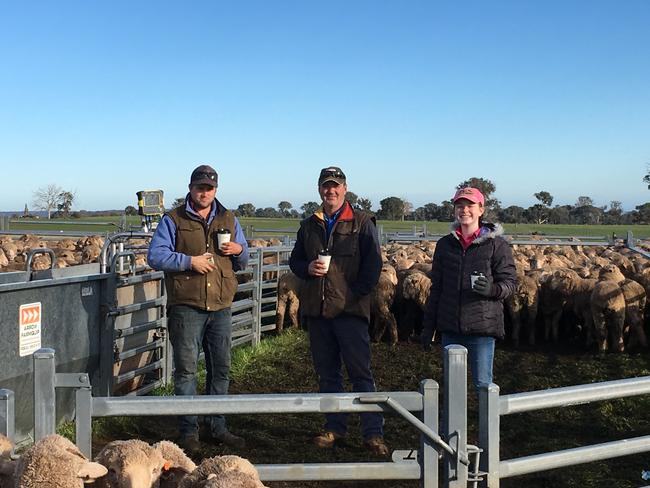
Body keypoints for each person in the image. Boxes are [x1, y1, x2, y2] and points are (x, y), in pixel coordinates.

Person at [148, 164, 249, 453]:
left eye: (209, 188)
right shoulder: (173, 219)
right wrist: (189, 262)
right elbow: (155, 255)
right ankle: (189, 432)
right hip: (187, 307)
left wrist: (239, 251)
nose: (204, 192)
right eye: (199, 187)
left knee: (221, 368)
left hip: (220, 306)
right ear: (190, 188)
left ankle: (217, 427)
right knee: (186, 371)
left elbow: (244, 259)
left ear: (215, 190)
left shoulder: (229, 218)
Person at [289, 166, 388, 456]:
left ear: (345, 188)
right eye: (325, 186)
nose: (330, 191)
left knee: (360, 372)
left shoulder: (361, 222)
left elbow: (373, 266)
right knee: (327, 374)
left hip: (350, 312)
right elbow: (295, 261)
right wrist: (306, 267)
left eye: (335, 186)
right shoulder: (309, 225)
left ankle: (373, 432)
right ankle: (335, 427)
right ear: (319, 189)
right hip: (318, 312)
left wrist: (354, 296)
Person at [420, 187, 517, 390]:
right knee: (452, 387)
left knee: (483, 385)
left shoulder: (496, 245)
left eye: (470, 205)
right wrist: (428, 326)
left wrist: (491, 290)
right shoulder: (445, 245)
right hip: (450, 330)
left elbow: (510, 284)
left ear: (481, 209)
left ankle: (486, 422)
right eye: (460, 206)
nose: (464, 210)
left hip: (482, 329)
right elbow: (436, 288)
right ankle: (452, 423)